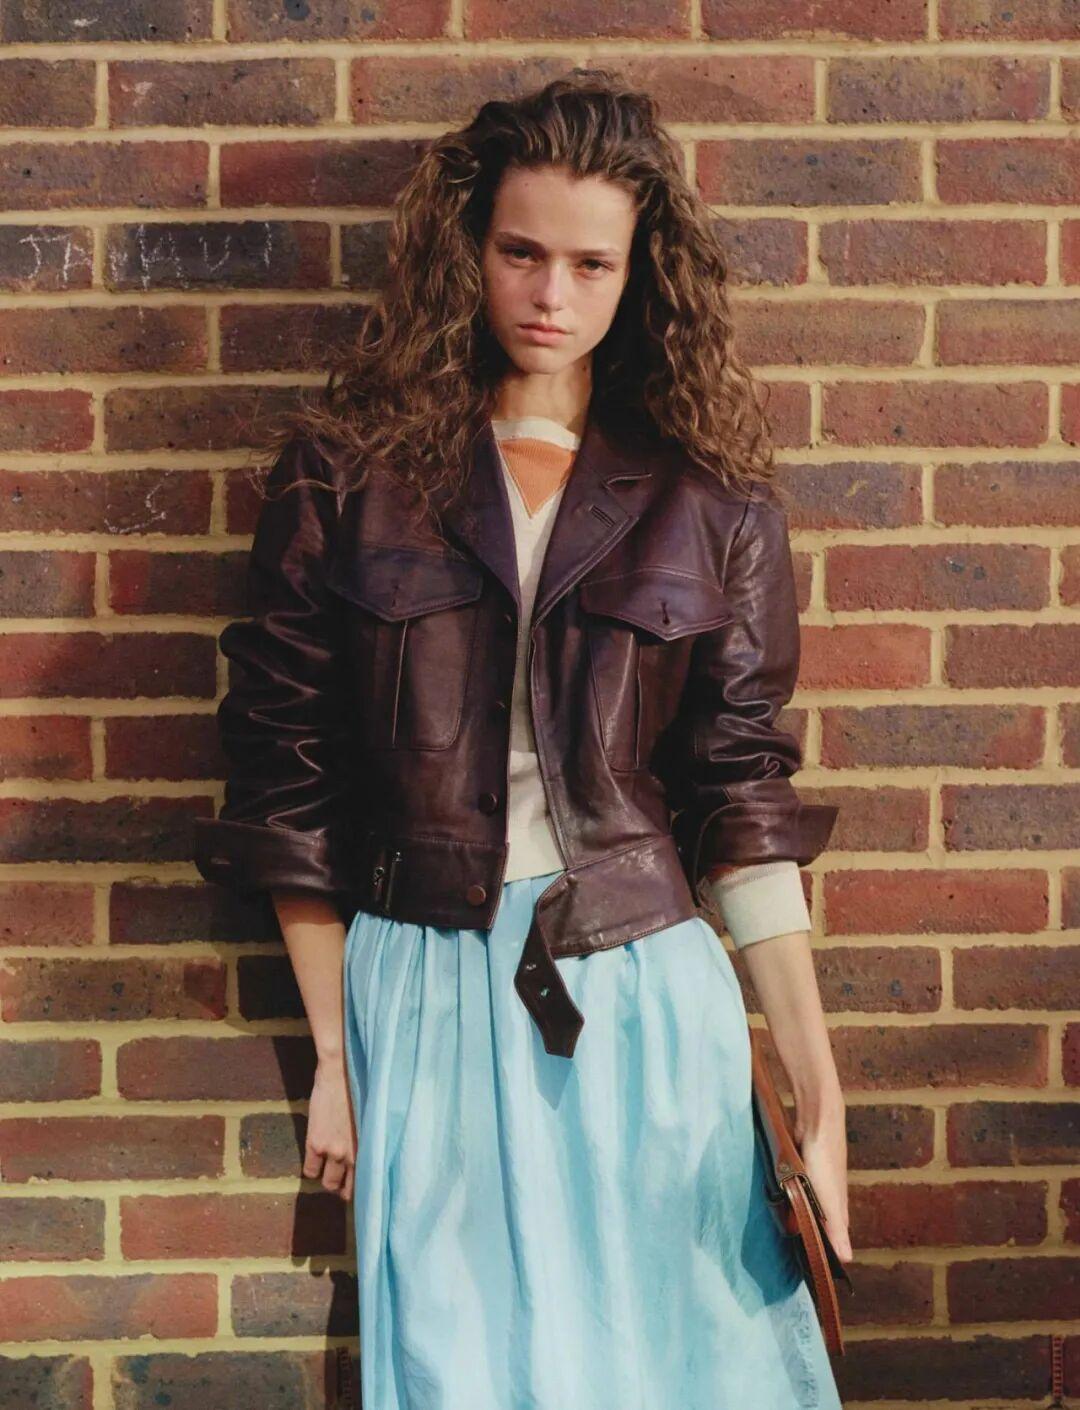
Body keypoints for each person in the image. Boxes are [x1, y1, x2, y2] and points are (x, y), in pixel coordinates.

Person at [195, 70, 852, 1410]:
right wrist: (337, 1058)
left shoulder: (710, 497)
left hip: (645, 995)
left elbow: (739, 790)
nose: (552, 293)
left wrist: (817, 1090)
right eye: (521, 252)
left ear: (639, 273)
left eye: (591, 263)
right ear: (468, 249)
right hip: (423, 983)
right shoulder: (345, 472)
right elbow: (284, 775)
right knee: (464, 1375)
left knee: (685, 1376)